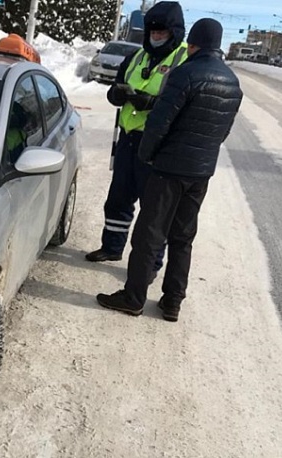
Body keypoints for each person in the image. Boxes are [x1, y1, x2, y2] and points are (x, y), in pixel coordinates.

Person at [95, 18, 244, 322]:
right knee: (183, 236)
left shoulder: (184, 74)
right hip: (200, 173)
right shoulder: (232, 82)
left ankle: (134, 297)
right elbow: (222, 132)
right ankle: (173, 301)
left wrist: (147, 155)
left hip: (168, 169)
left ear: (193, 42)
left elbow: (158, 123)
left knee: (149, 233)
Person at [85, 1, 188, 279]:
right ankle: (112, 246)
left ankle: (150, 264)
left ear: (174, 31)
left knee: (154, 210)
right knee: (118, 197)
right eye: (152, 30)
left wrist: (152, 103)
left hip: (157, 145)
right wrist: (116, 95)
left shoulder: (183, 61)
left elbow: (183, 104)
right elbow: (116, 85)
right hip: (128, 139)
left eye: (161, 31)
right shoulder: (137, 57)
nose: (155, 35)